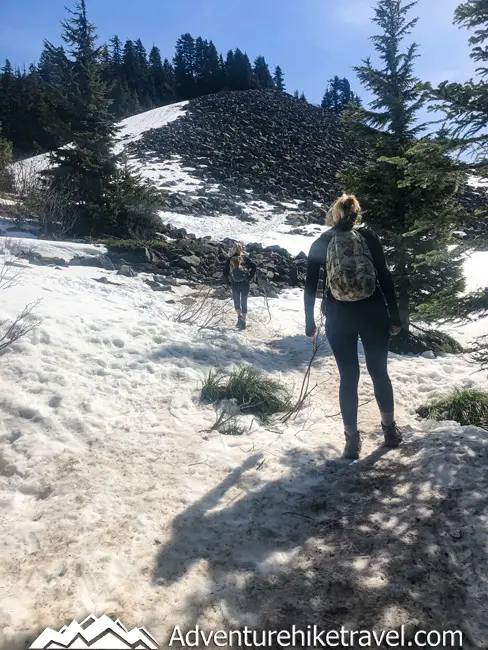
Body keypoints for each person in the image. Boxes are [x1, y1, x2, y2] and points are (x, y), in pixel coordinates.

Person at [304, 194, 403, 460]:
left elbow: (311, 287)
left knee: (348, 378)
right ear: (355, 213)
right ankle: (390, 432)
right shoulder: (368, 237)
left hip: (339, 317)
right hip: (373, 313)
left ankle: (351, 442)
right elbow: (384, 276)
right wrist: (394, 316)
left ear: (333, 215)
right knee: (379, 372)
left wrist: (309, 322)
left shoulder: (321, 242)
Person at [223, 243, 257, 330]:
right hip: (245, 284)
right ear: (240, 249)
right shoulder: (245, 258)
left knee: (237, 302)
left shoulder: (230, 260)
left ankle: (239, 318)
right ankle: (244, 320)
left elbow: (225, 273)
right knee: (244, 302)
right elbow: (254, 266)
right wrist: (249, 277)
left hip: (235, 285)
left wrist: (228, 283)